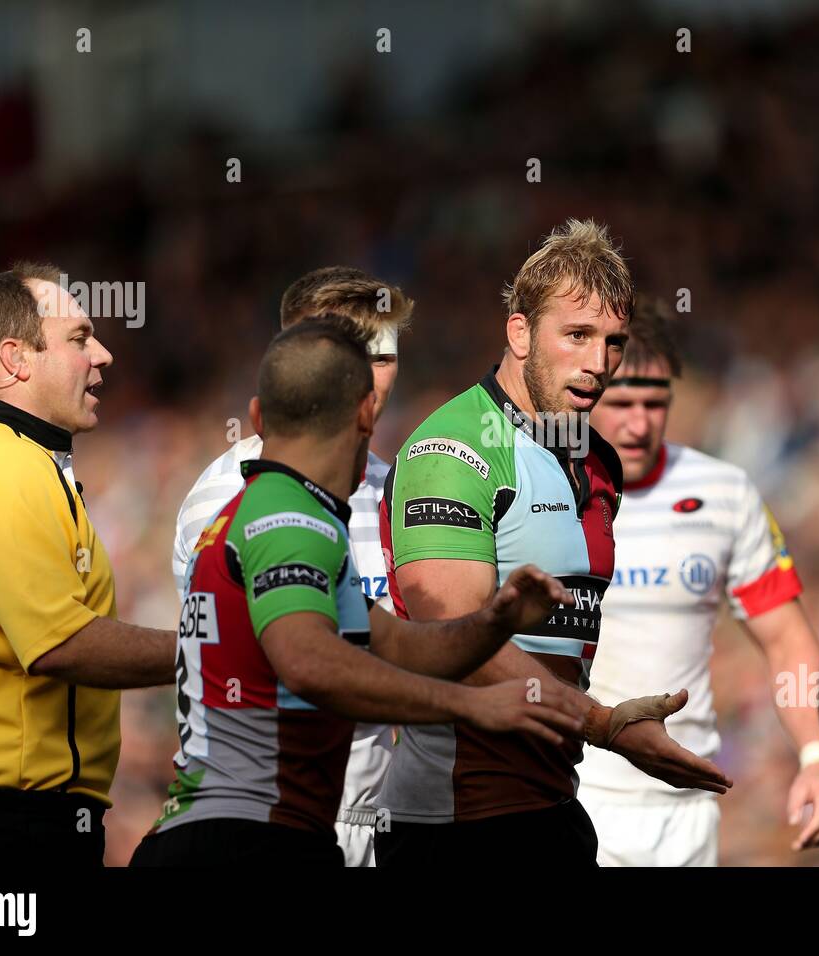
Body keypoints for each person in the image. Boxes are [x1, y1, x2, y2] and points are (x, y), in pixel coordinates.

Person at [132, 317, 584, 866]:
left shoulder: (246, 512)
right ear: (368, 412)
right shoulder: (290, 519)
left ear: (257, 417)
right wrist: (473, 703)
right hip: (247, 839)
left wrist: (494, 623)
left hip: (219, 835)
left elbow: (396, 642)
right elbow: (309, 663)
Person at [376, 219, 732, 867]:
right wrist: (607, 727)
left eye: (613, 342)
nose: (598, 365)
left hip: (553, 806)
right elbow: (456, 640)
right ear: (519, 332)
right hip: (456, 821)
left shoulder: (597, 460)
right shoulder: (451, 449)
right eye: (576, 335)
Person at [0, 263, 176, 867]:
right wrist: (211, 652)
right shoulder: (5, 465)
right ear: (15, 358)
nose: (102, 355)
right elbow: (60, 644)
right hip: (2, 827)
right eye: (78, 338)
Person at [579, 296, 819, 866]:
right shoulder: (541, 490)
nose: (639, 422)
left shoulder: (723, 493)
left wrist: (816, 755)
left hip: (684, 812)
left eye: (656, 401)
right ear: (589, 394)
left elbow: (786, 637)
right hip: (571, 797)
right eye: (622, 402)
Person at [171, 266, 409, 865]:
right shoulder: (224, 498)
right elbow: (278, 664)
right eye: (350, 356)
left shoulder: (396, 490)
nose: (369, 381)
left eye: (383, 358)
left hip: (381, 817)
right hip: (268, 820)